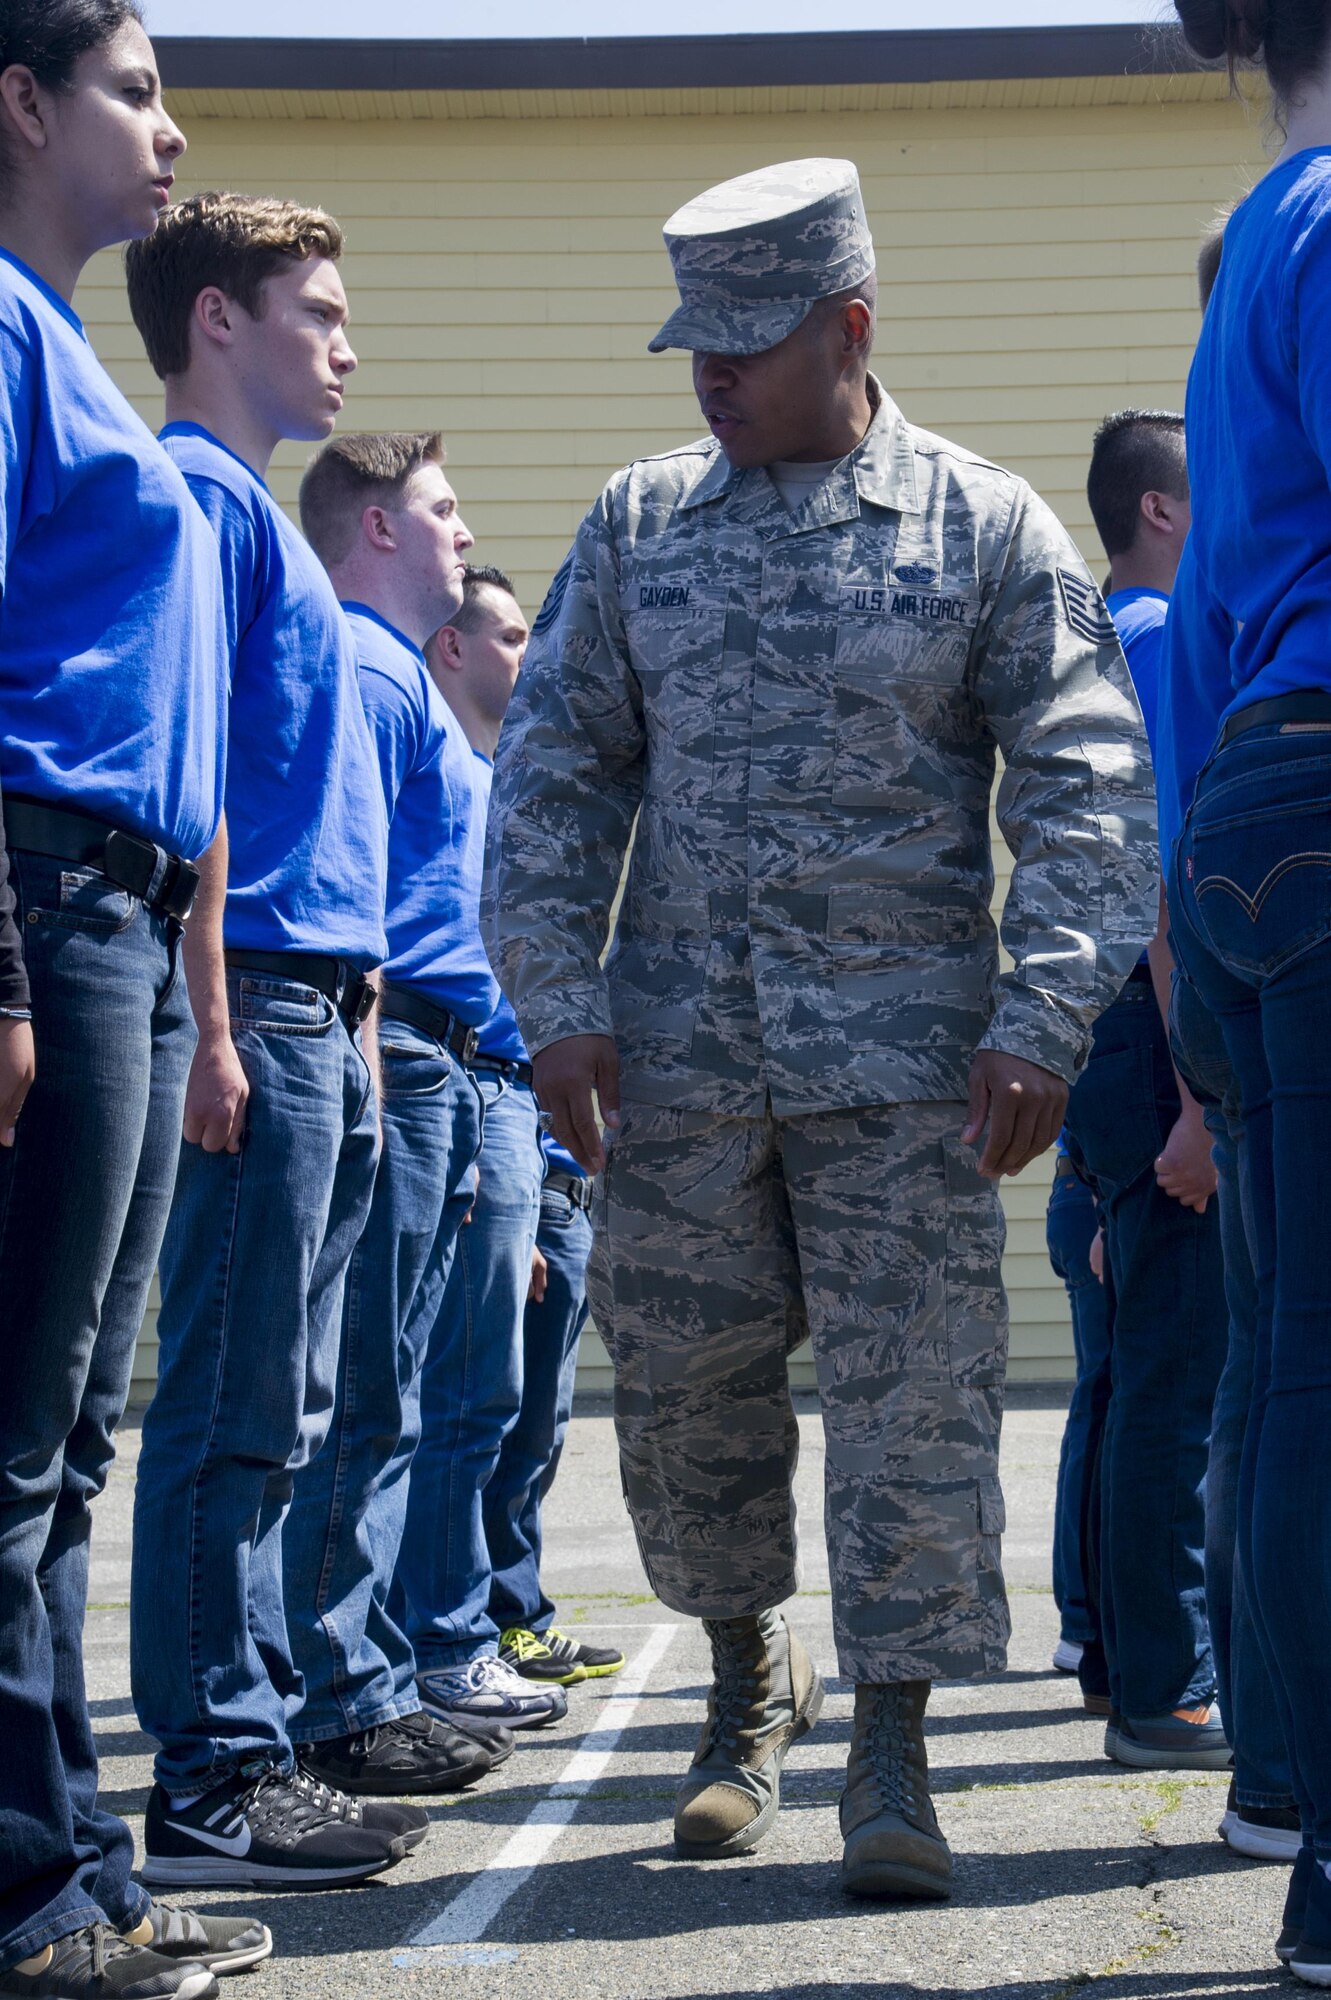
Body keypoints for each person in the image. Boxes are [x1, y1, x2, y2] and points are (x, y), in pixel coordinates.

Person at [486, 157, 1158, 1900]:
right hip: (684, 1083)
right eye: (691, 347)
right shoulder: (639, 528)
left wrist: (1046, 1013)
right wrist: (557, 1006)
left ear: (849, 329)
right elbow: (553, 780)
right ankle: (738, 1694)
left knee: (913, 1415)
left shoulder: (985, 527)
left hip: (912, 1081)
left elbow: (1087, 786)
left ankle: (894, 1754)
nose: (707, 378)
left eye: (745, 346)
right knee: (691, 1407)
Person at [0, 7, 270, 1992]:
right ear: (20, 104)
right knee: (14, 1446)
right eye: (132, 90)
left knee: (74, 1440)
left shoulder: (65, 348)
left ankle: (72, 1865)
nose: (168, 130)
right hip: (44, 899)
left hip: (131, 919)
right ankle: (26, 1894)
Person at [122, 192, 414, 1889]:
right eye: (313, 309)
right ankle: (213, 1776)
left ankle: (259, 1737)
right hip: (260, 1006)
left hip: (321, 1011)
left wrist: (350, 1024)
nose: (344, 342)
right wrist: (219, 1027)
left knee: (290, 1403)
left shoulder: (254, 516)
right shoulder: (197, 496)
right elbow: (197, 782)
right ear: (218, 321)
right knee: (236, 1402)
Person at [1164, 10, 1331, 1969]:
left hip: (1253, 811)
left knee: (1299, 1357)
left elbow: (1213, 619)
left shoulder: (1252, 241)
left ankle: (1304, 1828)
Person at [281, 434, 515, 1797]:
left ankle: (363, 1673)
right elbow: (347, 899)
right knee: (367, 1388)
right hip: (404, 1052)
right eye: (436, 509)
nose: (456, 529)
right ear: (373, 529)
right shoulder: (372, 671)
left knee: (394, 1390)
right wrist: (367, 1073)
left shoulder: (396, 686)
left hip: (435, 1058)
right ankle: (343, 1689)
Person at [1158, 210, 1299, 1863]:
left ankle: (1273, 1771)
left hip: (1235, 932)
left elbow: (1173, 838)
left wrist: (1202, 1036)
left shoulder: (1212, 571)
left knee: (1270, 1367)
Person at [1059, 409, 1230, 1770]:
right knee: (1177, 1378)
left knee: (1133, 1375)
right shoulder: (1166, 641)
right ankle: (1161, 1688)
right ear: (1162, 513)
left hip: (1108, 1038)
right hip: (1153, 1031)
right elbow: (1160, 888)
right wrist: (1194, 1100)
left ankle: (1125, 1654)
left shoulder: (1104, 642)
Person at [428, 566, 625, 1690]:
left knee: (531, 1413)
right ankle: (464, 1628)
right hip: (490, 1119)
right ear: (454, 649)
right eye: (508, 633)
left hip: (541, 1144)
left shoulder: (506, 787)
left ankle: (512, 1604)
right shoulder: (442, 771)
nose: (529, 652)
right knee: (476, 1409)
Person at [1044, 1138, 1110, 1680]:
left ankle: (1082, 1618)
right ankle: (1085, 1623)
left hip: (1080, 1188)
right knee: (1105, 1407)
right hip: (1096, 1193)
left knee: (1097, 1407)